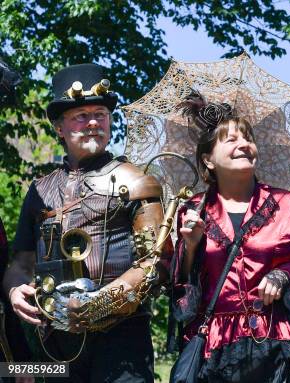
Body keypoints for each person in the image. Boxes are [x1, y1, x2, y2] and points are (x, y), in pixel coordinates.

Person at [3, 63, 171, 382]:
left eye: (101, 113)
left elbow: (155, 262)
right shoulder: (39, 190)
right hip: (53, 341)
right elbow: (21, 262)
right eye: (81, 115)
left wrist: (100, 303)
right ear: (59, 127)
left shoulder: (136, 181)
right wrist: (13, 291)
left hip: (122, 343)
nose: (93, 122)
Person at [171, 92, 290, 382]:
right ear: (208, 160)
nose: (244, 144)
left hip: (281, 341)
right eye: (231, 140)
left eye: (248, 138)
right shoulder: (191, 211)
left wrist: (285, 275)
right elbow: (180, 289)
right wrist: (190, 247)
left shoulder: (289, 204)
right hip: (216, 345)